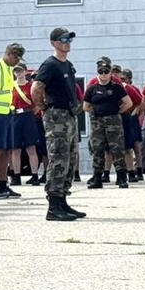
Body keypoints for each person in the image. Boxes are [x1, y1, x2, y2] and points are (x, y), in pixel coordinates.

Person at [32, 28, 81, 222]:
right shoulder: (50, 64)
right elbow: (36, 87)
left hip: (69, 115)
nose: (67, 42)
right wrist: (43, 106)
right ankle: (53, 206)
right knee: (58, 158)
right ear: (53, 42)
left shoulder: (67, 65)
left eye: (69, 39)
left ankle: (62, 201)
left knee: (70, 158)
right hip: (56, 116)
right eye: (63, 39)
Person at [0, 43, 26, 198]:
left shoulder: (8, 69)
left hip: (6, 113)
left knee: (6, 150)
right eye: (15, 57)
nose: (17, 61)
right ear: (8, 53)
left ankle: (3, 184)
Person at [84, 59, 132, 188]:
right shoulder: (92, 88)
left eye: (106, 72)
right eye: (101, 72)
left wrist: (116, 112)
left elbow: (128, 103)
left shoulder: (116, 87)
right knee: (98, 149)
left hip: (113, 121)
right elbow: (85, 106)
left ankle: (122, 177)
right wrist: (96, 113)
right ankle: (97, 178)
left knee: (117, 149)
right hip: (97, 123)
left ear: (110, 73)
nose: (103, 74)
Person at [10, 63, 41, 188]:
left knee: (31, 148)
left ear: (25, 72)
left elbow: (38, 101)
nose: (18, 73)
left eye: (20, 70)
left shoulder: (31, 86)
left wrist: (33, 112)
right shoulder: (11, 86)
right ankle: (16, 176)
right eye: (16, 71)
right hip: (15, 116)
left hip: (28, 117)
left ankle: (34, 175)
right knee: (15, 148)